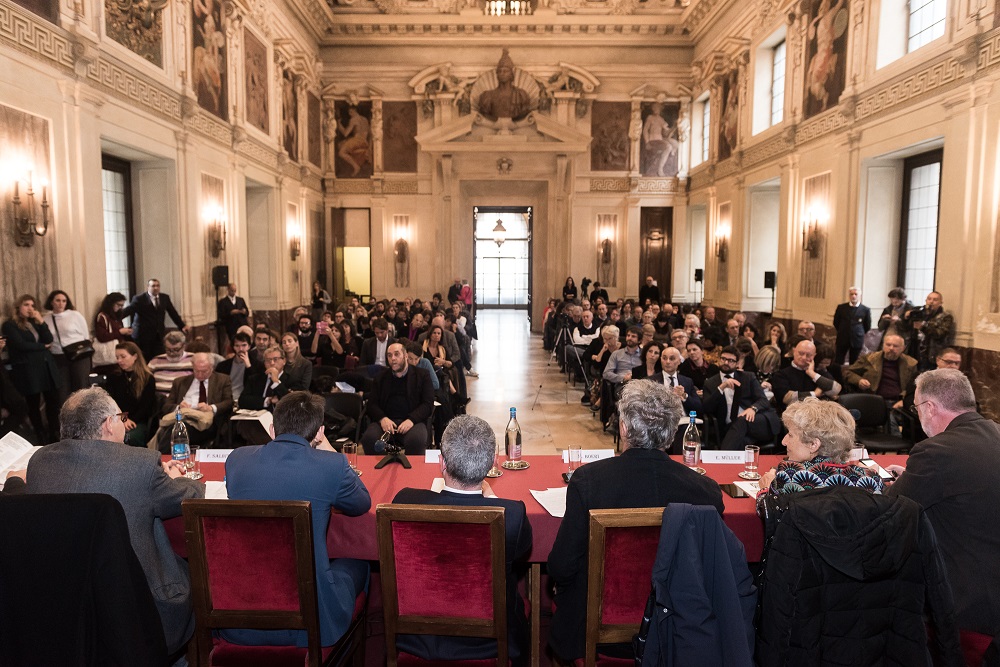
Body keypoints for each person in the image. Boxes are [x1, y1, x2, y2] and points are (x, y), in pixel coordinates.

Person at [2, 386, 204, 658]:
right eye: (121, 418)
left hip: (60, 609)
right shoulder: (142, 464)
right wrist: (179, 478)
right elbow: (186, 499)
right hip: (138, 609)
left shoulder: (40, 461)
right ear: (109, 424)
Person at [547, 380, 724, 662]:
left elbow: (561, 565)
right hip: (675, 629)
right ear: (671, 432)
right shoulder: (706, 491)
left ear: (624, 428)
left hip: (595, 629)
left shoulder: (588, 481)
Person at [225, 391, 371, 649]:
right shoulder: (332, 465)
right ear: (319, 432)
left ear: (272, 428)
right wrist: (325, 445)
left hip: (242, 606)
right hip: (312, 614)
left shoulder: (237, 459)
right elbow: (361, 503)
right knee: (361, 563)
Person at [391, 415, 532, 664]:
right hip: (487, 644)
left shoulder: (404, 501)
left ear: (442, 463)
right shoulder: (513, 515)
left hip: (417, 639)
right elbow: (522, 552)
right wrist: (493, 498)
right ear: (491, 464)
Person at [886, 369, 1000, 638]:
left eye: (916, 408)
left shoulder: (936, 451)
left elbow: (890, 512)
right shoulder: (995, 432)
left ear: (929, 407)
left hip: (967, 606)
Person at [757, 398, 883, 504]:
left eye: (790, 435)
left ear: (813, 444)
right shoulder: (872, 480)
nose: (783, 442)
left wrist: (765, 488)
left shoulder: (788, 476)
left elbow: (766, 512)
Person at [1, 294, 62, 444]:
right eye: (26, 305)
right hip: (28, 370)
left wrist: (42, 322)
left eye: (33, 306)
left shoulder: (34, 323)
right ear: (18, 307)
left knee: (53, 400)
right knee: (33, 403)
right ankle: (39, 433)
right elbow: (20, 345)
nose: (30, 309)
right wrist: (42, 347)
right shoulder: (10, 325)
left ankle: (54, 432)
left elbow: (49, 339)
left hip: (45, 367)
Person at [360, 342, 435, 455]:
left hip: (412, 422)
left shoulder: (422, 375)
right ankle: (379, 471)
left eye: (396, 354)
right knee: (369, 439)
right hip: (386, 422)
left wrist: (411, 420)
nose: (393, 359)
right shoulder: (381, 377)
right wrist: (382, 418)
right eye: (389, 355)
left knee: (416, 440)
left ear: (405, 356)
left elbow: (428, 404)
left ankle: (411, 472)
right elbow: (372, 404)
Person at [703, 346, 779, 450]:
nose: (726, 363)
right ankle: (727, 457)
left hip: (756, 421)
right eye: (723, 359)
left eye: (731, 360)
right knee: (743, 442)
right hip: (731, 429)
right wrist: (721, 388)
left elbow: (763, 400)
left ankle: (721, 457)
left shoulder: (748, 377)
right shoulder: (710, 383)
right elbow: (706, 408)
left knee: (742, 420)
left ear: (737, 363)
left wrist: (753, 408)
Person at [162, 351, 233, 448]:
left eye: (204, 371)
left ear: (212, 368)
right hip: (182, 417)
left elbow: (228, 402)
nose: (200, 374)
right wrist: (179, 407)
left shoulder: (222, 380)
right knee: (175, 428)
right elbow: (166, 406)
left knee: (178, 430)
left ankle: (162, 458)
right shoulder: (180, 382)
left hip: (207, 423)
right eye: (196, 371)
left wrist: (211, 408)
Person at [104, 342, 157, 448]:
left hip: (138, 421)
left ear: (135, 356)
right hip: (117, 418)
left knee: (129, 437)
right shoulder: (114, 377)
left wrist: (128, 420)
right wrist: (122, 419)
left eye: (123, 357)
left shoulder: (148, 378)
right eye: (117, 357)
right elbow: (110, 401)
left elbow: (145, 407)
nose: (119, 360)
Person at [843, 334, 918, 408]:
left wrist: (905, 401)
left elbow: (915, 386)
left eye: (895, 346)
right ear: (883, 345)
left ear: (903, 348)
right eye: (888, 345)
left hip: (898, 402)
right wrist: (859, 380)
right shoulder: (869, 359)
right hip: (871, 400)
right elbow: (848, 372)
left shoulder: (910, 363)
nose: (891, 348)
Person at [122, 278, 188, 361]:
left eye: (157, 286)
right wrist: (115, 319)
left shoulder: (164, 298)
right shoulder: (140, 299)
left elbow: (173, 313)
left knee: (159, 357)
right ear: (148, 287)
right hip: (143, 336)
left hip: (158, 334)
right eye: (153, 286)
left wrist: (182, 325)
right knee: (145, 359)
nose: (156, 288)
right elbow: (128, 311)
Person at [770, 339, 841, 412]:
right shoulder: (781, 374)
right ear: (794, 352)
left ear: (814, 356)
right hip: (794, 414)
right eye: (801, 353)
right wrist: (815, 394)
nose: (804, 357)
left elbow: (836, 389)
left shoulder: (818, 372)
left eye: (809, 355)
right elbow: (788, 398)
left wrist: (811, 373)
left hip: (818, 412)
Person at [43, 290, 93, 394]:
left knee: (80, 386)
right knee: (62, 389)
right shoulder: (46, 318)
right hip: (58, 356)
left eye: (64, 301)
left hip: (78, 354)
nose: (61, 303)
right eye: (58, 300)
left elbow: (85, 335)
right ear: (51, 302)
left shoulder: (75, 315)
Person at [904, 291, 955, 371]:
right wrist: (907, 317)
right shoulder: (919, 313)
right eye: (929, 299)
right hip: (915, 350)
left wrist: (923, 327)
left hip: (931, 353)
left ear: (941, 302)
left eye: (935, 300)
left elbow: (939, 334)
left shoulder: (945, 317)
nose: (931, 302)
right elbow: (905, 328)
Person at [477, 48, 532, 121]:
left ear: (511, 75)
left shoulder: (521, 95)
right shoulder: (487, 96)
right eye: (499, 71)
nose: (502, 73)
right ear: (496, 75)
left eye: (505, 71)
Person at [653, 346, 702, 416]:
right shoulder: (651, 381)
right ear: (660, 360)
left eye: (672, 358)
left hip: (683, 421)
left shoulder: (687, 381)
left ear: (679, 361)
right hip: (660, 422)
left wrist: (684, 396)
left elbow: (698, 408)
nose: (667, 362)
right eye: (664, 358)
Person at [216, 332, 263, 402]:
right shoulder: (223, 365)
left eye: (244, 345)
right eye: (237, 346)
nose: (240, 349)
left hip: (246, 400)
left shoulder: (257, 365)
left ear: (249, 346)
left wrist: (249, 366)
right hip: (226, 399)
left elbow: (257, 386)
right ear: (233, 347)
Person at [93, 291, 132, 373]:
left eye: (122, 305)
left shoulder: (117, 316)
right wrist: (120, 332)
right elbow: (102, 337)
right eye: (118, 305)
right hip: (109, 354)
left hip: (118, 350)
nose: (120, 308)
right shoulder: (102, 316)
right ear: (111, 303)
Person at [833, 286, 872, 364]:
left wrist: (858, 332)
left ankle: (851, 376)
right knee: (838, 360)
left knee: (854, 361)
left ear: (859, 295)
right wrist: (842, 330)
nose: (853, 296)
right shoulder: (841, 307)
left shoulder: (865, 309)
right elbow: (836, 322)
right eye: (851, 294)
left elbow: (867, 325)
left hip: (857, 339)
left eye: (855, 294)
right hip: (842, 338)